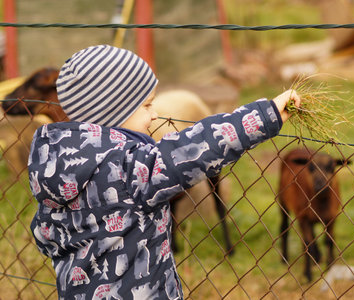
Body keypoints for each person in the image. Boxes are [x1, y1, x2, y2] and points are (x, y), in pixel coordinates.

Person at [28, 44, 301, 299]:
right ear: (112, 113)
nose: (155, 114)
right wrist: (266, 115)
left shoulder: (52, 167)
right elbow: (194, 149)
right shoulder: (128, 167)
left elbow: (43, 233)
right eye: (147, 105)